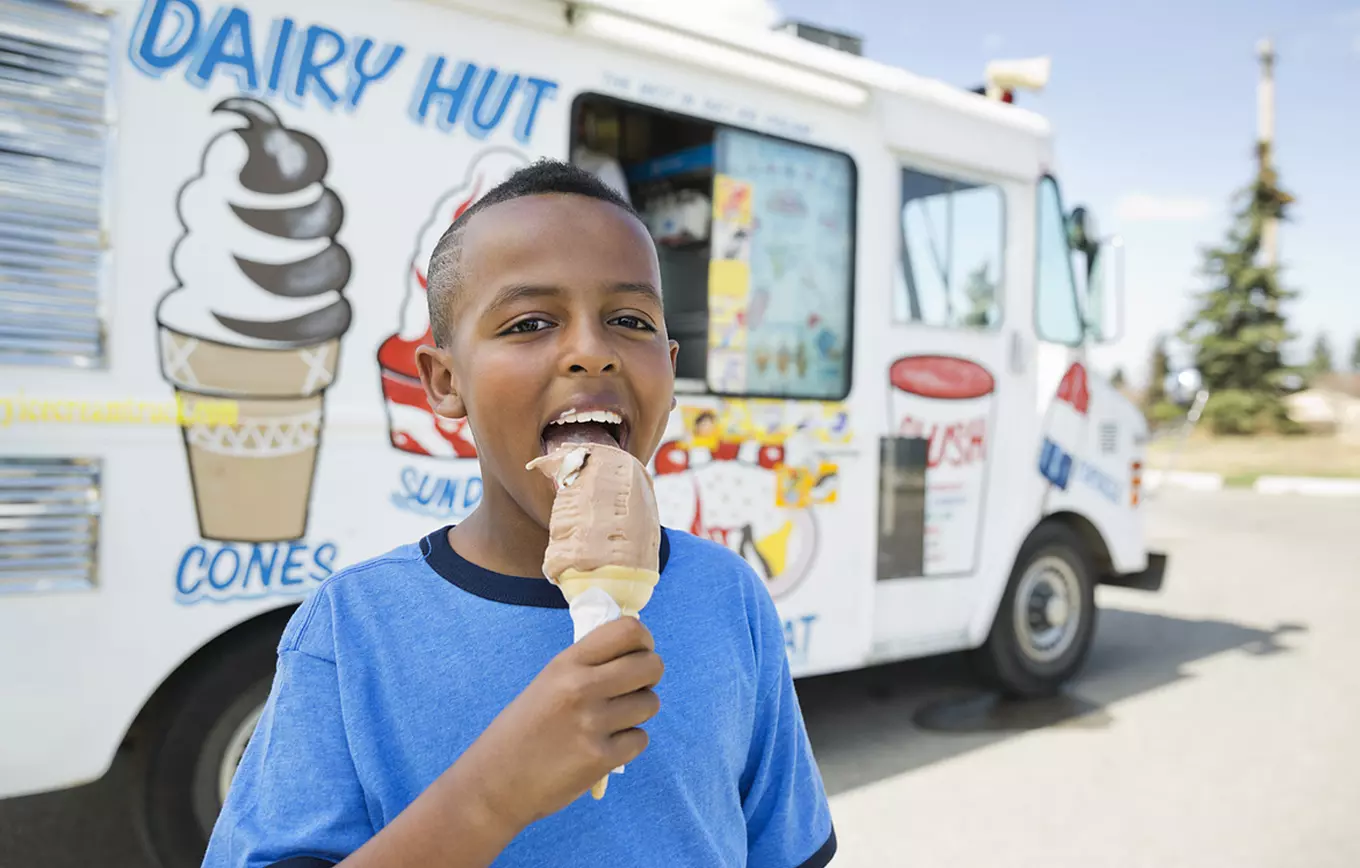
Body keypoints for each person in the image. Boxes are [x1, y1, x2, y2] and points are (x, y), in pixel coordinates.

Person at [202, 160, 836, 868]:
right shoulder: (352, 630)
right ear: (445, 382)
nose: (592, 352)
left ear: (671, 362)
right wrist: (492, 796)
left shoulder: (731, 596)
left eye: (630, 320)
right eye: (530, 322)